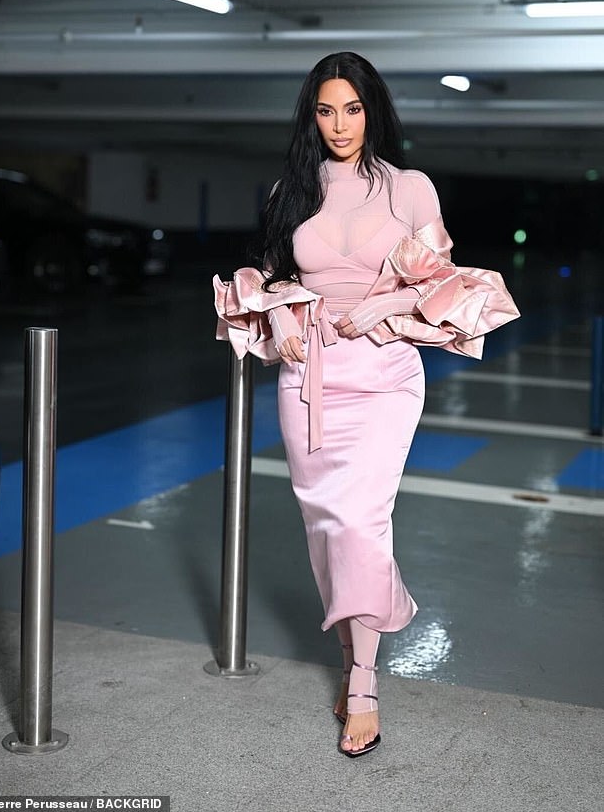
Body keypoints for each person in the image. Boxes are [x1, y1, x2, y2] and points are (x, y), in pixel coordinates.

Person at [213, 52, 519, 758]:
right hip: (308, 375)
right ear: (311, 116)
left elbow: (438, 279)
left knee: (360, 517)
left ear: (372, 109)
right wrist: (285, 320)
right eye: (326, 110)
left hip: (383, 372)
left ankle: (362, 681)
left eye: (351, 108)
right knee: (327, 523)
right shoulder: (290, 188)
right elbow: (276, 275)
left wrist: (380, 302)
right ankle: (381, 606)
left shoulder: (409, 187)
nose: (339, 123)